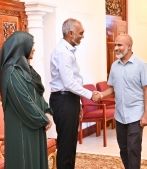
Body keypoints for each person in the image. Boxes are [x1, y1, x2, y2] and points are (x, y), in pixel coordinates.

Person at [0, 31, 53, 169]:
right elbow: (24, 102)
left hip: (35, 126)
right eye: (32, 44)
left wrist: (47, 111)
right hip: (22, 130)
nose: (33, 48)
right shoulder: (11, 73)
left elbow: (38, 95)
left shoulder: (25, 70)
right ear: (22, 46)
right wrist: (44, 119)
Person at [49, 18, 100, 169]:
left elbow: (72, 83)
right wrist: (91, 95)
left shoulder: (68, 50)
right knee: (66, 145)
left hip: (69, 99)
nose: (83, 36)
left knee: (71, 143)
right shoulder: (63, 52)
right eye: (81, 33)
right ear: (71, 33)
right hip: (63, 100)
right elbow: (69, 83)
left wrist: (77, 102)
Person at [99, 34, 147, 169]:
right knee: (123, 148)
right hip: (120, 115)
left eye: (119, 45)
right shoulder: (114, 66)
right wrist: (101, 94)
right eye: (115, 45)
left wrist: (146, 114)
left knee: (133, 148)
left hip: (135, 114)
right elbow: (111, 88)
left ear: (129, 46)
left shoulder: (141, 65)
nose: (116, 48)